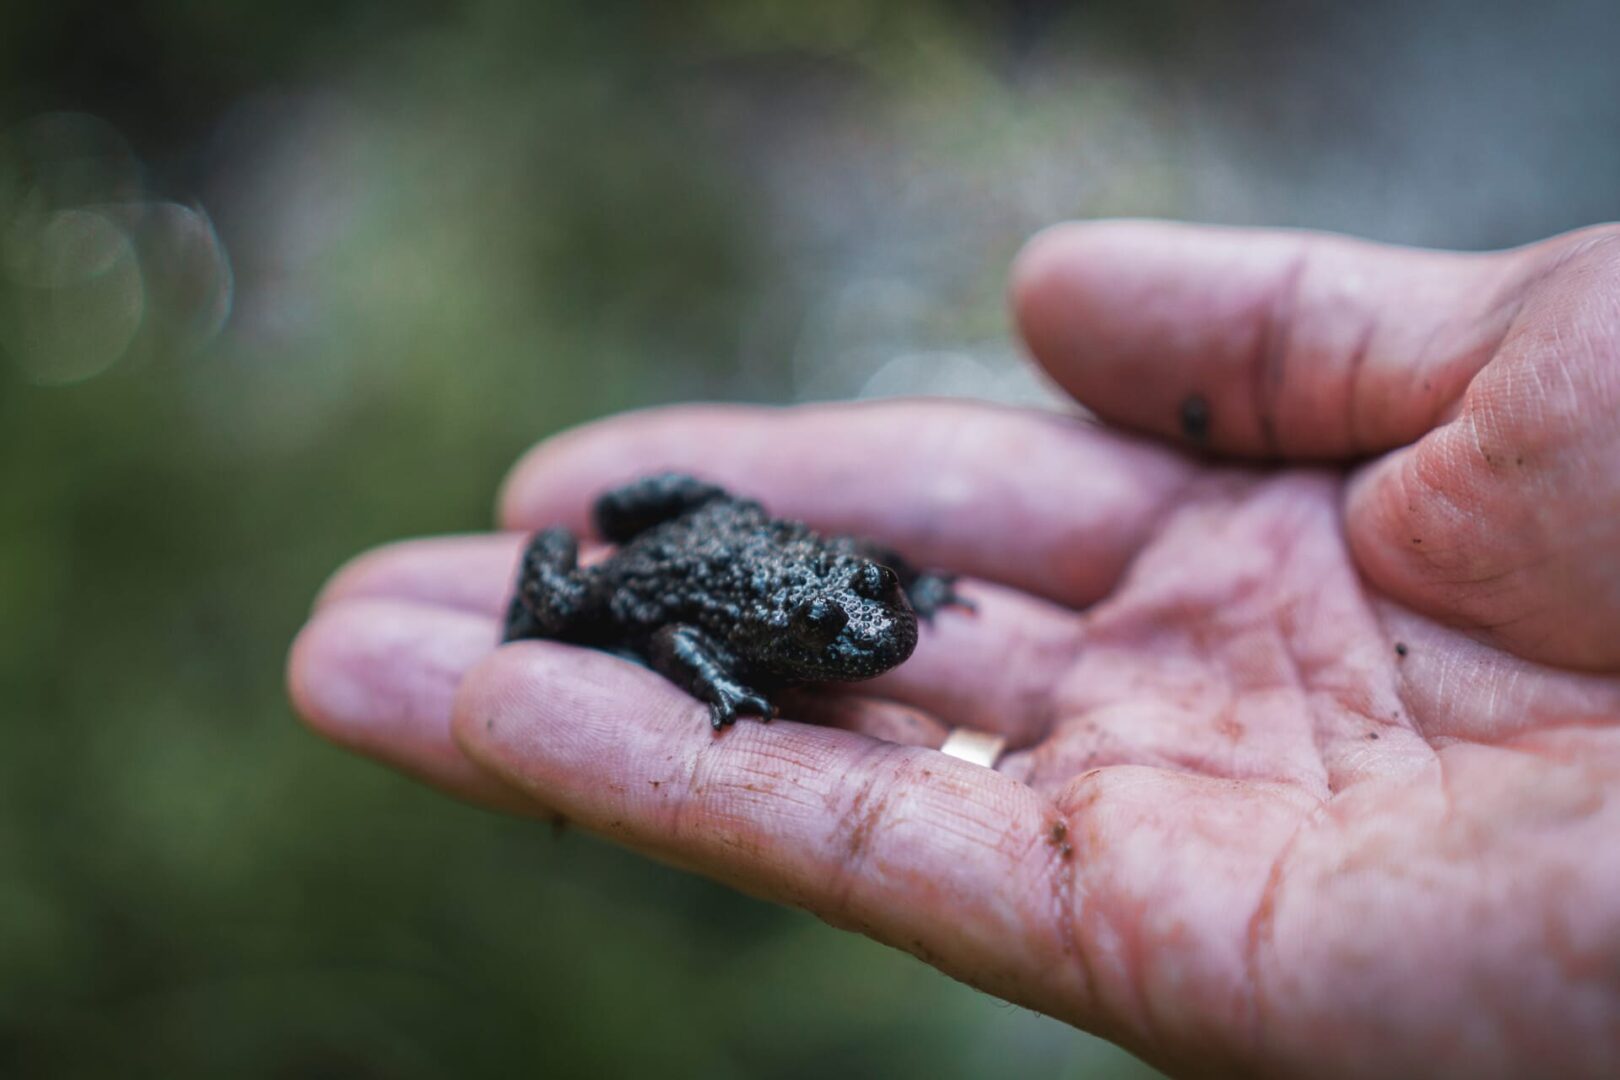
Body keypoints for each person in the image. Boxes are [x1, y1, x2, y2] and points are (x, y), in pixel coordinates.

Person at [287, 220, 1620, 1077]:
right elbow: (684, 618)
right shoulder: (728, 619)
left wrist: (898, 578)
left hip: (747, 543)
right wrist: (713, 683)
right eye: (845, 628)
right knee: (580, 586)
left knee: (734, 552)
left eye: (873, 606)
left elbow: (864, 587)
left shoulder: (845, 593)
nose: (879, 633)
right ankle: (541, 621)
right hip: (672, 570)